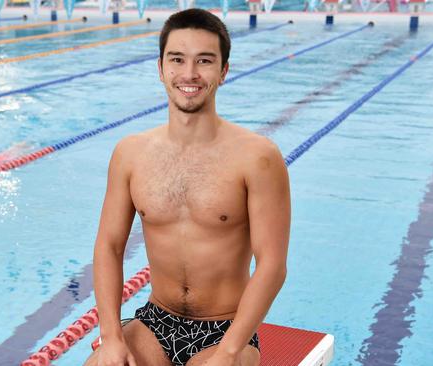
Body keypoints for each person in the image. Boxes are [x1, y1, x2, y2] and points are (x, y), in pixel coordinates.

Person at [86, 9, 290, 366]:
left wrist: (229, 350)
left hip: (226, 331)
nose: (189, 74)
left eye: (205, 61)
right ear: (161, 68)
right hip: (154, 321)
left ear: (223, 71)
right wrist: (111, 337)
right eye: (177, 59)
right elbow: (109, 246)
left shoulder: (258, 157)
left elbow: (272, 264)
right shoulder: (130, 154)